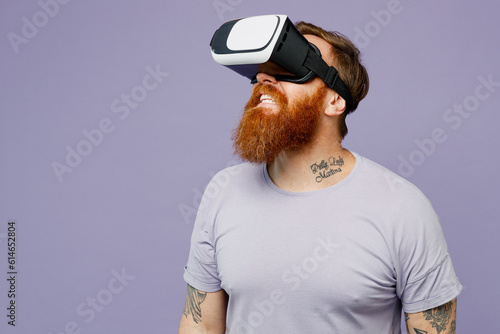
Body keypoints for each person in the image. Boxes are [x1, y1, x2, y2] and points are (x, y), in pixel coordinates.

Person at [178, 19, 462, 334]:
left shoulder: (402, 208)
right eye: (263, 72)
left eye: (291, 67)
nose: (265, 79)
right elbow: (201, 325)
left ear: (335, 101)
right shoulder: (224, 192)